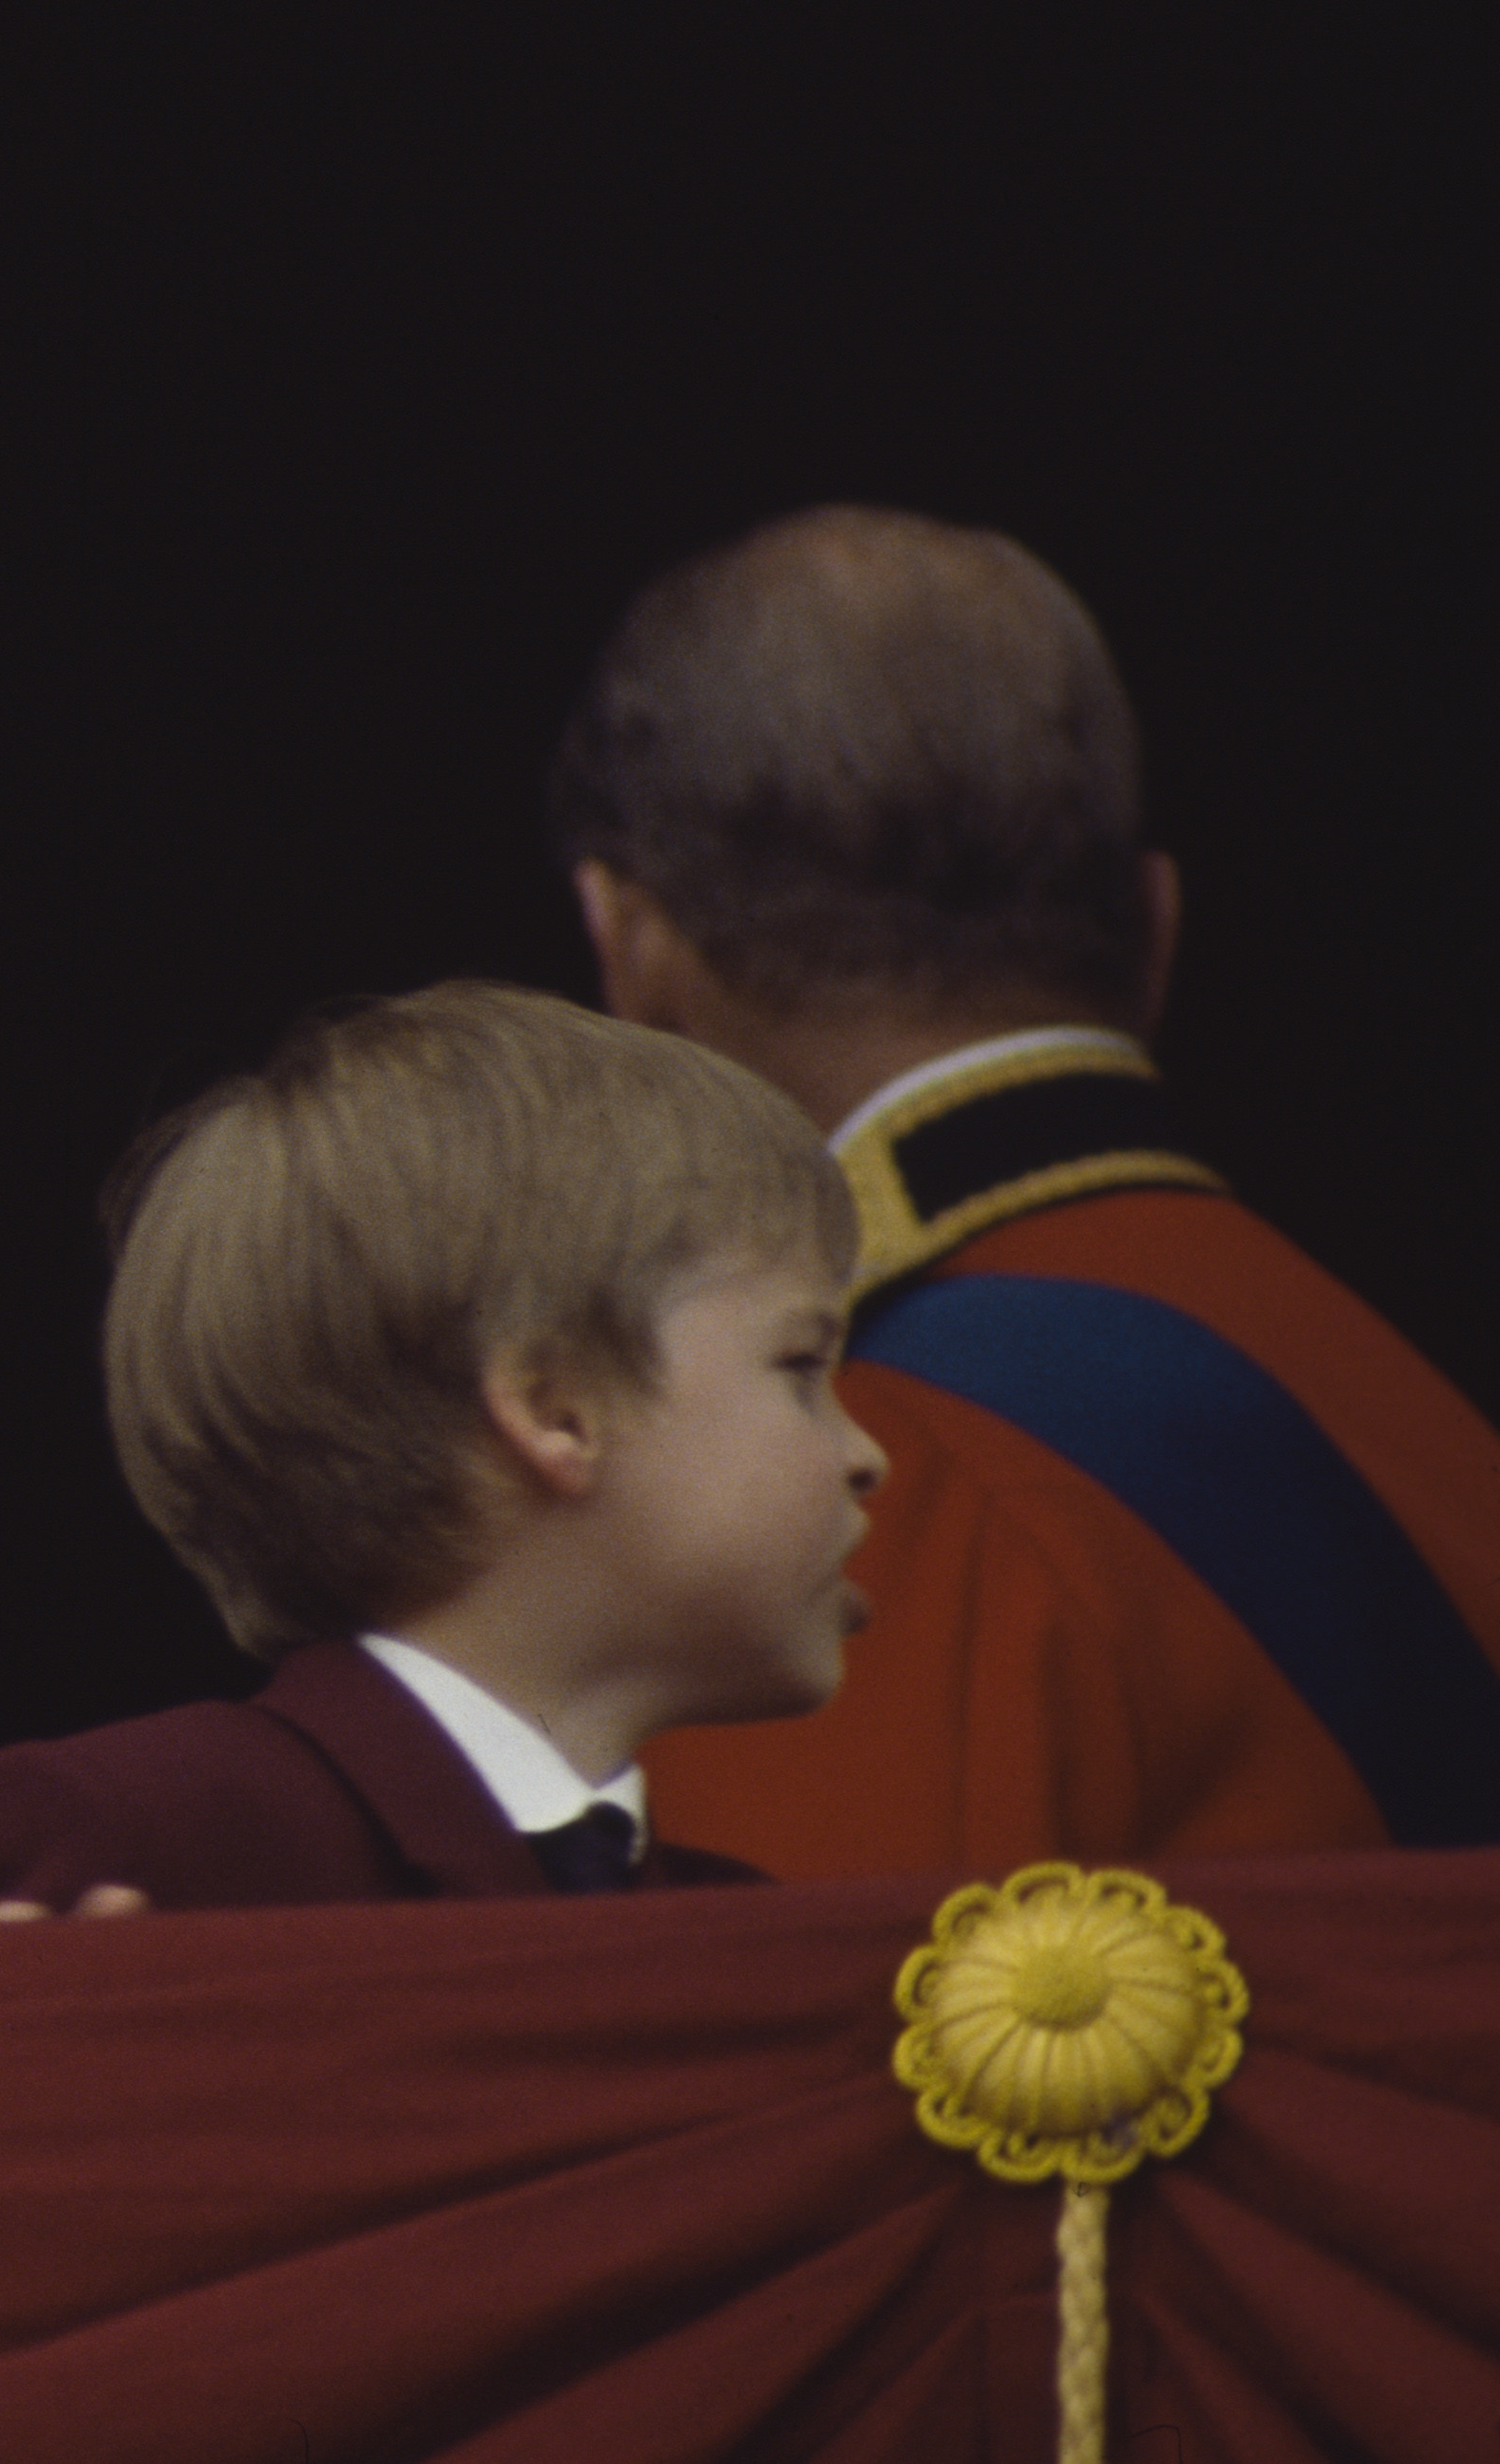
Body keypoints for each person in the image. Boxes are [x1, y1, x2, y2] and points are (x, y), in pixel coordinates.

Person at [557, 506, 1500, 1876]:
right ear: (1155, 925)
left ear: (631, 952)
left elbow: (758, 2017)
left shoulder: (867, 1475)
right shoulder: (1401, 1398)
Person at [0, 984, 877, 1915]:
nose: (866, 1454)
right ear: (556, 1410)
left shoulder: (744, 1924)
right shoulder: (152, 1835)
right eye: (799, 1365)